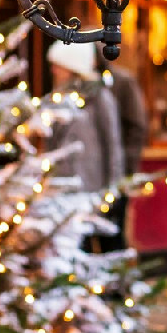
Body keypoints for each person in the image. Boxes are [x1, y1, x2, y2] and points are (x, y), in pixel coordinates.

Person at [47, 42, 125, 246]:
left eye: (58, 65)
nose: (53, 70)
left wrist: (112, 189)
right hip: (62, 187)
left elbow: (112, 144)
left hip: (90, 185)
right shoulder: (57, 98)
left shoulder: (99, 97)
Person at [95, 58, 149, 252]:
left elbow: (136, 126)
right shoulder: (82, 85)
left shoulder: (121, 82)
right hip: (92, 174)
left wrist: (126, 168)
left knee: (113, 234)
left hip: (116, 172)